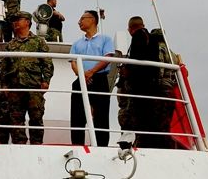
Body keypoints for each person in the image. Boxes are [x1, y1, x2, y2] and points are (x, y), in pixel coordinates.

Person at [0, 11, 54, 144]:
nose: (15, 23)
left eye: (19, 20)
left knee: (36, 117)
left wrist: (46, 81)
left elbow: (47, 63)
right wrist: (4, 85)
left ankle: (36, 145)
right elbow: (4, 67)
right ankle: (19, 146)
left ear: (27, 22)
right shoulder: (10, 45)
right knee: (16, 120)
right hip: (15, 88)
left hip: (34, 86)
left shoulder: (38, 42)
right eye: (14, 20)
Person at [69, 10, 115, 147]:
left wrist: (92, 72)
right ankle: (77, 145)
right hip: (81, 79)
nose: (79, 22)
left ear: (93, 20)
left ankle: (102, 146)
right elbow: (73, 62)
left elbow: (108, 58)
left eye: (82, 18)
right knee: (77, 115)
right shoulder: (77, 43)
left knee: (101, 115)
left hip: (99, 79)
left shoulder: (106, 39)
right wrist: (83, 75)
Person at [117, 16, 161, 148]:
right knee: (150, 115)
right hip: (152, 84)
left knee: (135, 115)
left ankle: (134, 143)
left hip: (140, 84)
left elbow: (138, 59)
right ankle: (150, 141)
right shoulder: (153, 39)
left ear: (130, 29)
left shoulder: (137, 36)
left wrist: (127, 69)